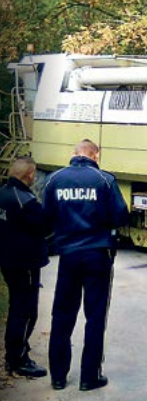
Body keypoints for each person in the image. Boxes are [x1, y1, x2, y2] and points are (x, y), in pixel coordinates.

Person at [42, 139, 129, 391]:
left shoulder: (55, 179)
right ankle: (90, 376)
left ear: (73, 154)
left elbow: (46, 216)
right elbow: (120, 215)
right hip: (98, 254)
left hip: (68, 254)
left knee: (62, 315)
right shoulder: (104, 180)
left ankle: (58, 376)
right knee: (95, 316)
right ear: (96, 155)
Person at [0, 156, 48, 378]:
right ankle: (18, 359)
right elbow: (44, 226)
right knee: (26, 311)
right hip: (25, 263)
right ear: (30, 175)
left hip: (7, 261)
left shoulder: (3, 193)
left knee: (16, 307)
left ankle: (13, 354)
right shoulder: (26, 200)